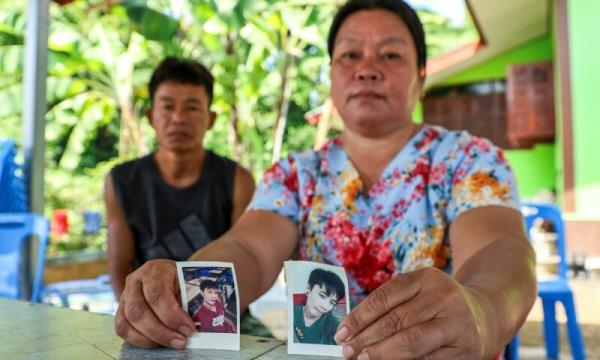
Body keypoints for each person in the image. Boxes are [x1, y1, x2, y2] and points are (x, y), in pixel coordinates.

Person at [114, 1, 537, 359]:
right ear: (331, 75)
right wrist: (184, 284)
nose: (367, 69)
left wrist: (482, 309)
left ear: (421, 77)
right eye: (350, 56)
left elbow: (501, 249)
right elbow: (249, 247)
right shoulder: (296, 175)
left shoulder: (470, 159)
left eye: (390, 55)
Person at [104, 58, 271, 336]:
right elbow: (120, 262)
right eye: (168, 106)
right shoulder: (120, 181)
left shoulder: (238, 180)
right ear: (150, 116)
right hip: (151, 313)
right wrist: (139, 317)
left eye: (192, 107)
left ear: (211, 119)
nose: (178, 118)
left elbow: (248, 254)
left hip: (226, 315)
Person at [293, 268, 346, 345]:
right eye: (322, 296)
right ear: (308, 288)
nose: (325, 306)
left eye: (332, 302)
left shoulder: (334, 327)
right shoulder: (293, 312)